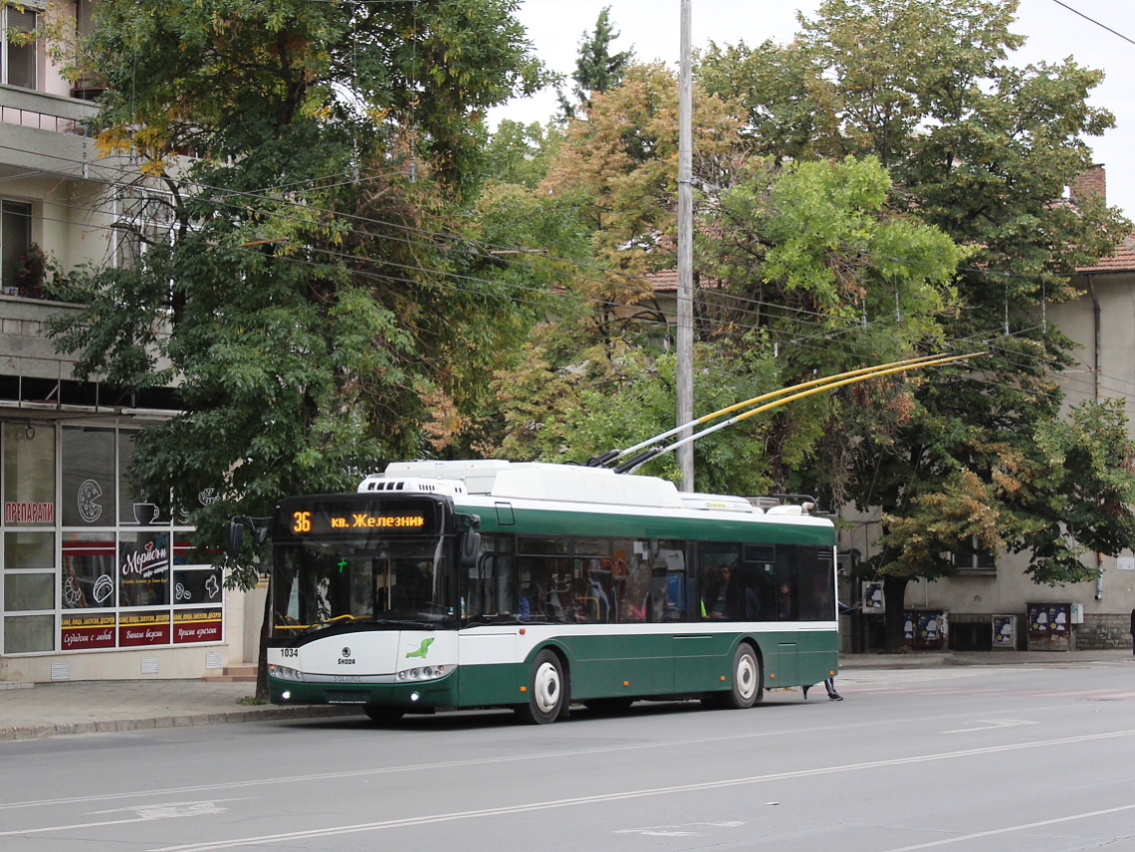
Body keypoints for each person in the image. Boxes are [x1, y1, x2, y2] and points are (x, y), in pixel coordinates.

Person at [803, 600, 858, 701]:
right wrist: (855, 608)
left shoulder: (815, 598)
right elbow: (847, 611)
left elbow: (847, 610)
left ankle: (809, 683)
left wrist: (855, 608)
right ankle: (831, 692)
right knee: (826, 665)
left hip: (814, 635)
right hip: (821, 635)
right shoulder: (830, 599)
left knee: (820, 663)